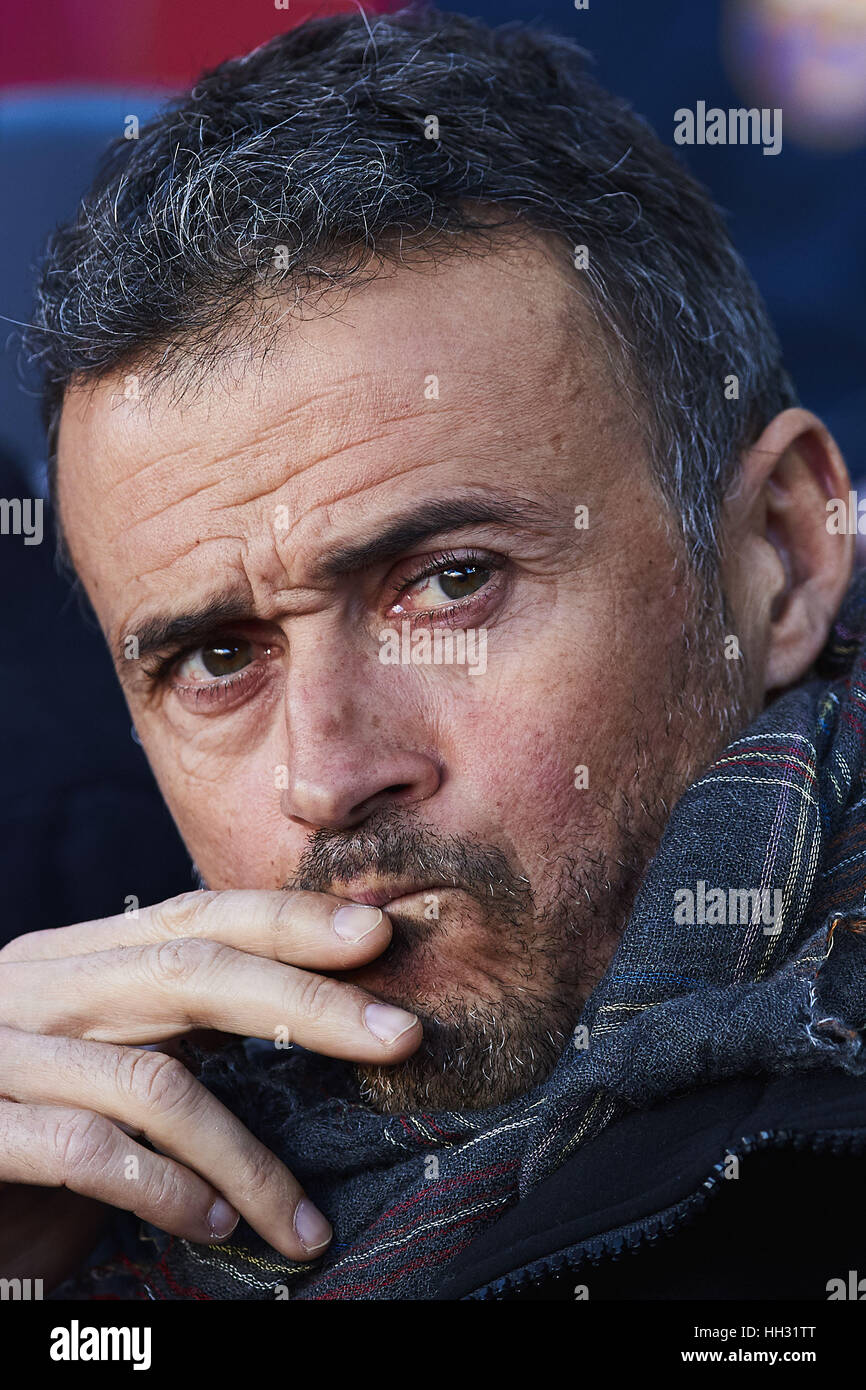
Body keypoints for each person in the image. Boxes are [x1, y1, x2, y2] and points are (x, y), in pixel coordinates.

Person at [5, 7, 866, 1299]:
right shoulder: (86, 1201)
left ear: (781, 554)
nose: (329, 772)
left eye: (450, 583)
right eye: (216, 659)